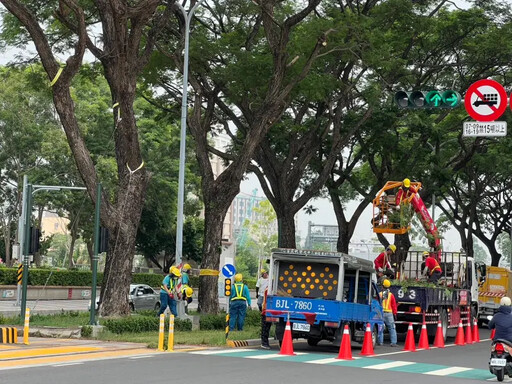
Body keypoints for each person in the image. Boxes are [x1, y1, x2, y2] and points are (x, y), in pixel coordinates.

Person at [378, 279, 398, 347]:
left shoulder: (380, 294)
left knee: (381, 328)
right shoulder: (391, 295)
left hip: (381, 313)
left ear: (382, 286)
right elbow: (394, 305)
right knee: (392, 328)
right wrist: (395, 313)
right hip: (389, 313)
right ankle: (393, 342)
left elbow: (377, 304)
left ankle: (380, 342)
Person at [260, 285, 272, 350]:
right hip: (266, 311)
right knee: (266, 328)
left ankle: (265, 342)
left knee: (266, 328)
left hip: (268, 311)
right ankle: (264, 343)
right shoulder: (269, 290)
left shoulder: (268, 289)